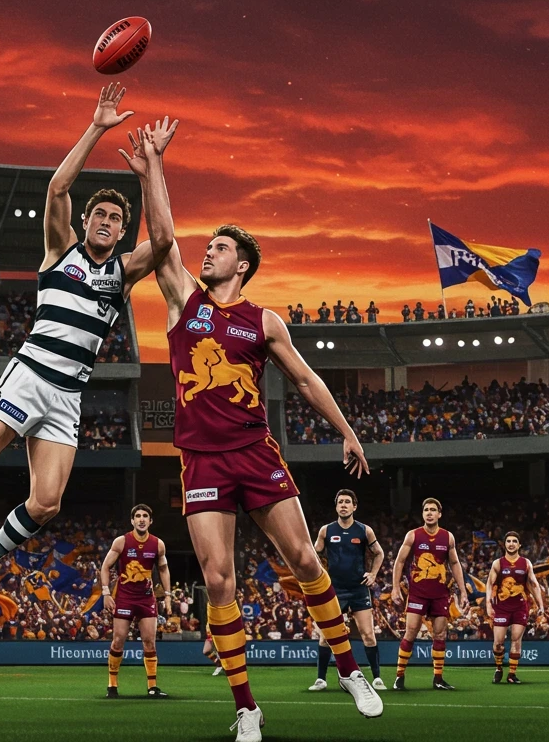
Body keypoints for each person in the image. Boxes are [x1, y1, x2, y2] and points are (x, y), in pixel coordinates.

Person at [0, 87, 176, 616]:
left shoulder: (121, 273)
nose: (107, 221)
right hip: (30, 375)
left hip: (68, 396)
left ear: (120, 229)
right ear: (85, 223)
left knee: (47, 504)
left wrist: (148, 173)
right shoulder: (59, 251)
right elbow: (57, 187)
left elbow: (162, 241)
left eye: (116, 217)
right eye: (100, 215)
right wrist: (97, 128)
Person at [154, 224, 383, 741]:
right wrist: (152, 168)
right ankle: (247, 709)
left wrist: (347, 431)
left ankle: (349, 672)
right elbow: (162, 237)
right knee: (218, 581)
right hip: (203, 459)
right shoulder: (186, 303)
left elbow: (305, 378)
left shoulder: (264, 321)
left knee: (304, 558)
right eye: (208, 247)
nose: (207, 253)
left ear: (242, 265)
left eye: (220, 249)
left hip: (256, 453)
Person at [308, 489, 387, 692]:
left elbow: (379, 553)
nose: (343, 505)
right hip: (334, 589)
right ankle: (321, 679)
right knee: (326, 636)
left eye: (347, 502)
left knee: (367, 634)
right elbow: (314, 553)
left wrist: (373, 574)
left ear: (354, 506)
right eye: (340, 502)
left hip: (359, 589)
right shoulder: (326, 531)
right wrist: (321, 575)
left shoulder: (364, 530)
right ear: (336, 506)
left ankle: (377, 678)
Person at [390, 498, 469, 690]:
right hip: (418, 593)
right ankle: (399, 677)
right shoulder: (413, 535)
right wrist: (395, 587)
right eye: (426, 510)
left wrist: (463, 590)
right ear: (423, 513)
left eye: (433, 510)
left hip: (440, 594)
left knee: (440, 634)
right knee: (411, 632)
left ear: (439, 514)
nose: (429, 513)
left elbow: (455, 564)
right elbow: (399, 561)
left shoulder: (447, 537)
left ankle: (438, 679)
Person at [99, 503, 172, 698]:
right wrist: (106, 593)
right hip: (124, 597)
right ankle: (112, 685)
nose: (141, 519)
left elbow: (163, 569)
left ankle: (152, 687)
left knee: (149, 642)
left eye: (145, 516)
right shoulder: (121, 542)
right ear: (132, 520)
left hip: (146, 598)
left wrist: (168, 595)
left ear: (150, 521)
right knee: (118, 641)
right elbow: (105, 567)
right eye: (138, 516)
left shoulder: (158, 544)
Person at [485, 531, 545, 684]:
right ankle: (499, 667)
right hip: (501, 607)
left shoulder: (526, 563)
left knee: (516, 639)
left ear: (519, 545)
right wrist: (488, 604)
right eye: (508, 541)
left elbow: (534, 585)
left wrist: (541, 605)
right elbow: (490, 584)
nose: (511, 543)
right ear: (505, 544)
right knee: (498, 642)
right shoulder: (498, 563)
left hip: (520, 607)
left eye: (514, 541)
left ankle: (512, 674)